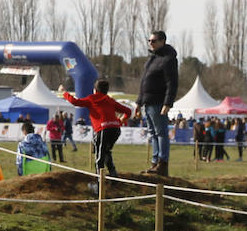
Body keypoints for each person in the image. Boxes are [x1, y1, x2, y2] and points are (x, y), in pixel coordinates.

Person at [61, 79, 132, 178]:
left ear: (95, 90)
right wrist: (120, 121)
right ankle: (114, 175)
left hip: (103, 129)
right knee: (107, 151)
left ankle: (99, 183)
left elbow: (75, 101)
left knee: (100, 157)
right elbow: (128, 111)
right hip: (115, 130)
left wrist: (64, 92)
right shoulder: (110, 100)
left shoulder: (92, 98)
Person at [139, 30, 179, 176]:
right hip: (147, 102)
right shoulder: (152, 58)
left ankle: (162, 163)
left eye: (154, 41)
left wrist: (167, 103)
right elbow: (144, 81)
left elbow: (172, 83)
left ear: (162, 41)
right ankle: (154, 163)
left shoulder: (169, 59)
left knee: (161, 133)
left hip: (158, 102)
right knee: (152, 133)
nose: (151, 43)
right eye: (149, 41)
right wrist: (139, 102)